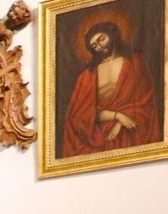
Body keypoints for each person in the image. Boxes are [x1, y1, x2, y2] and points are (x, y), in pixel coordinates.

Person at [62, 20, 159, 157]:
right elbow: (80, 115)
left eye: (102, 39)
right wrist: (118, 116)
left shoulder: (135, 63)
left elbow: (145, 103)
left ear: (112, 35)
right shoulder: (87, 76)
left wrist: (121, 123)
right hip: (97, 135)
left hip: (130, 130)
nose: (99, 46)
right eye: (94, 45)